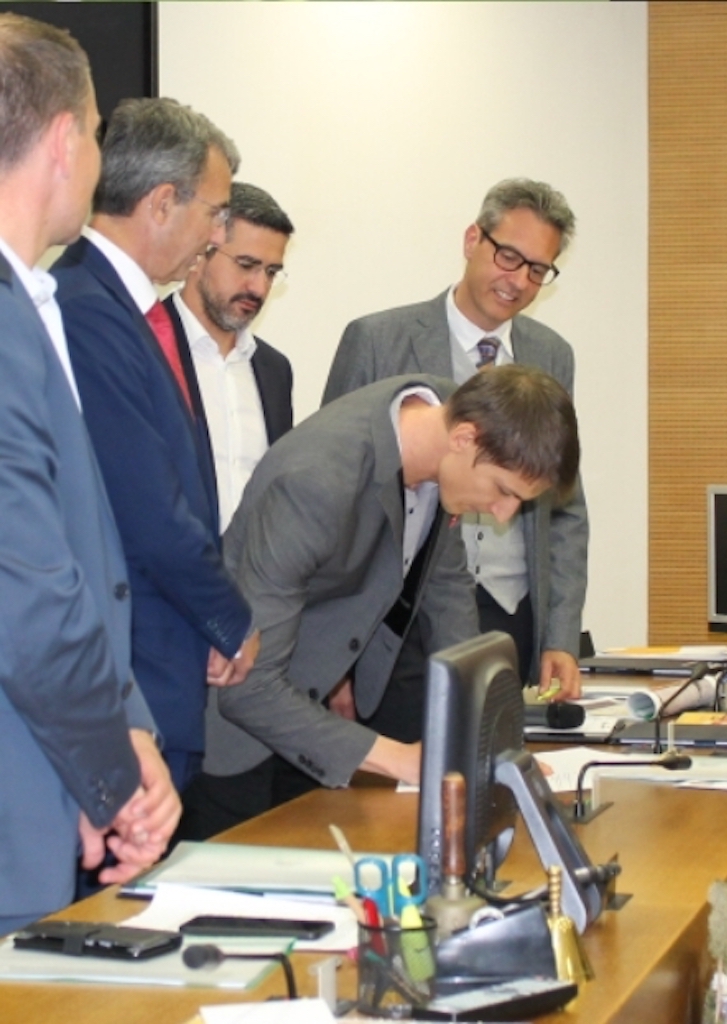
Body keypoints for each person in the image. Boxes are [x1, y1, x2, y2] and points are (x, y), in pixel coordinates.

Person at [179, 364, 580, 838]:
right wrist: (405, 760)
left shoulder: (446, 419)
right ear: (464, 439)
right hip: (232, 731)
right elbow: (248, 688)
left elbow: (447, 588)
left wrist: (492, 742)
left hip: (311, 711)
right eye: (503, 491)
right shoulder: (315, 479)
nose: (504, 513)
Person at [0, 13, 179, 932]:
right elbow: (26, 590)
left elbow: (77, 554)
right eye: (102, 134)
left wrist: (121, 735)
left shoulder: (28, 303)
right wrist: (114, 777)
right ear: (67, 140)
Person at [52, 98, 258, 795]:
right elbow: (149, 509)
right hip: (133, 680)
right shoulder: (87, 310)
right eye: (216, 213)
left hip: (163, 670)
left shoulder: (122, 308)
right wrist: (229, 618)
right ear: (164, 201)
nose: (218, 234)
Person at [323, 179, 587, 718]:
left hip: (511, 615)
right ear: (473, 239)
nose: (519, 281)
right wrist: (333, 660)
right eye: (509, 256)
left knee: (494, 761)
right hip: (399, 621)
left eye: (538, 269)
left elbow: (564, 506)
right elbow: (338, 505)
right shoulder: (378, 341)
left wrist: (560, 635)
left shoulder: (551, 355)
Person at [169, 181, 295, 532]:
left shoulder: (274, 370)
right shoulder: (146, 343)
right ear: (201, 252)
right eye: (246, 265)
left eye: (271, 272)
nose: (259, 287)